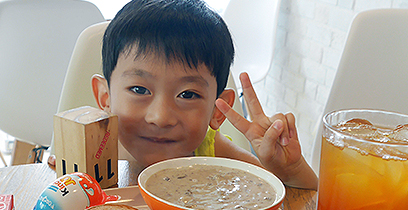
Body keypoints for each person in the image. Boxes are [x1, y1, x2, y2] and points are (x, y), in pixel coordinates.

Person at [90, 0, 318, 189]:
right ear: (105, 98)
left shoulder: (211, 152)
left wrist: (289, 170)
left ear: (217, 111)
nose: (160, 117)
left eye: (187, 94)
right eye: (140, 90)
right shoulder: (95, 150)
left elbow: (298, 201)